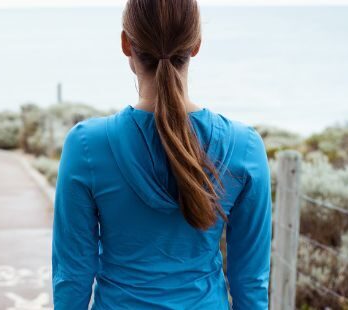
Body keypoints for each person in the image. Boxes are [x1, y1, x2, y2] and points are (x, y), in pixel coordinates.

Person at [51, 0, 272, 309]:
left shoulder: (86, 145)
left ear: (126, 43)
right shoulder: (244, 147)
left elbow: (72, 277)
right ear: (196, 44)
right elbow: (251, 284)